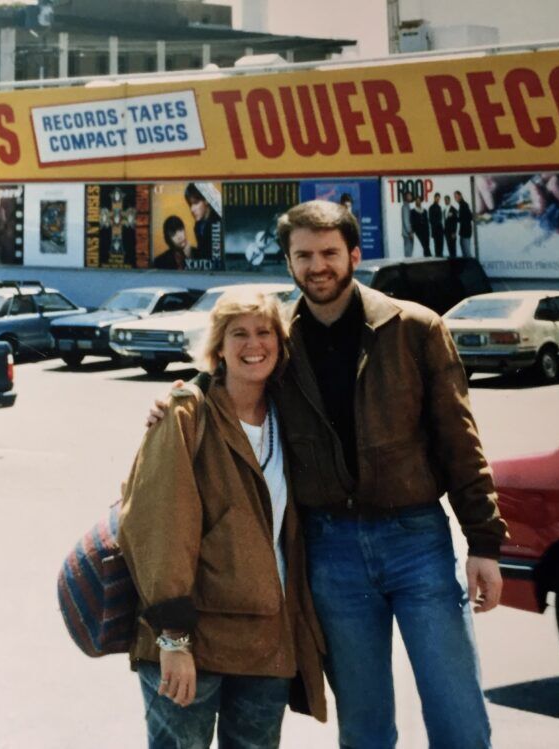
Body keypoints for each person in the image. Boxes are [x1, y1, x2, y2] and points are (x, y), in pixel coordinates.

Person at [149, 201, 506, 749]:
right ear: (289, 264)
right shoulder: (280, 338)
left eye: (329, 253)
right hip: (331, 550)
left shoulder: (414, 328)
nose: (318, 266)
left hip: (416, 540)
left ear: (355, 256)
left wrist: (483, 542)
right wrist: (181, 397)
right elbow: (232, 364)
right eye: (304, 255)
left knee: (456, 710)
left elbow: (461, 442)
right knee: (363, 723)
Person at [119, 289, 327, 749]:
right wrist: (173, 641)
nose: (254, 345)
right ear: (218, 345)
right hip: (192, 638)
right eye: (239, 334)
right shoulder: (186, 413)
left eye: (264, 332)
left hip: (266, 642)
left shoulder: (290, 418)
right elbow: (158, 527)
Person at [184, 183, 221, 266]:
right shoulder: (198, 225)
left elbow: (213, 259)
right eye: (190, 205)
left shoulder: (217, 222)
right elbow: (204, 255)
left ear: (206, 200)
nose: (192, 209)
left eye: (196, 203)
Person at [455, 190, 474, 257]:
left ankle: (470, 267)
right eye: (455, 197)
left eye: (456, 197)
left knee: (467, 253)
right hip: (465, 232)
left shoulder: (464, 205)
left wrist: (455, 217)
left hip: (465, 232)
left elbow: (465, 218)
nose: (455, 199)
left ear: (460, 196)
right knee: (466, 253)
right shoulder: (463, 205)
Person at [428, 192, 445, 257]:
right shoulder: (431, 208)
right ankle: (438, 258)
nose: (438, 199)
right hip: (436, 230)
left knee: (440, 247)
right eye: (437, 198)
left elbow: (440, 219)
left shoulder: (439, 207)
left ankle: (439, 258)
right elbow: (431, 220)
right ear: (434, 198)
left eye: (439, 198)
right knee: (437, 247)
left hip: (439, 230)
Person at [400, 191, 414, 258]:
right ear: (406, 197)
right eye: (409, 196)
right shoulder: (405, 207)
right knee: (408, 253)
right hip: (407, 234)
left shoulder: (407, 206)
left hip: (407, 233)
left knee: (409, 252)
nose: (411, 197)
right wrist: (410, 232)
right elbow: (406, 221)